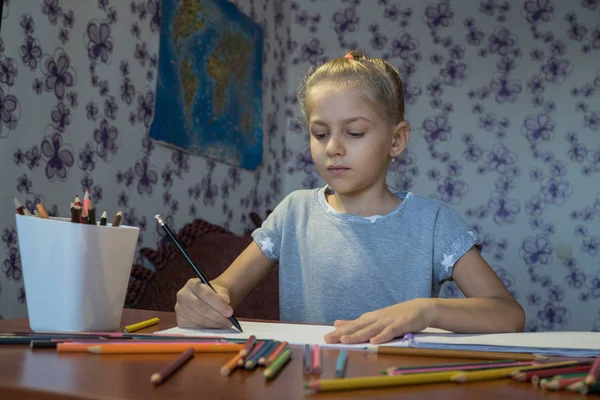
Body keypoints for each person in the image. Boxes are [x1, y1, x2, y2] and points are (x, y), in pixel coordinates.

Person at [175, 51, 525, 344]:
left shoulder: (432, 223)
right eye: (320, 132)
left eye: (354, 132)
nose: (333, 148)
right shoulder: (293, 213)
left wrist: (425, 310)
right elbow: (224, 289)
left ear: (396, 140)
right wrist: (204, 299)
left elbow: (508, 315)